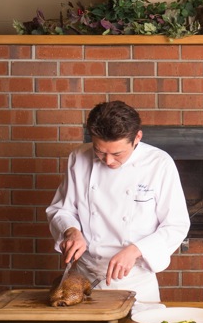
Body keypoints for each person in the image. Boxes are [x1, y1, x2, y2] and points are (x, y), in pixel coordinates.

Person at [46, 101, 190, 304]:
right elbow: (62, 210)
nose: (108, 161)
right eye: (99, 151)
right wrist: (71, 231)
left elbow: (176, 225)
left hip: (136, 282)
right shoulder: (78, 158)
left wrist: (136, 250)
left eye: (117, 154)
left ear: (137, 137)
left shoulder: (159, 163)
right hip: (85, 280)